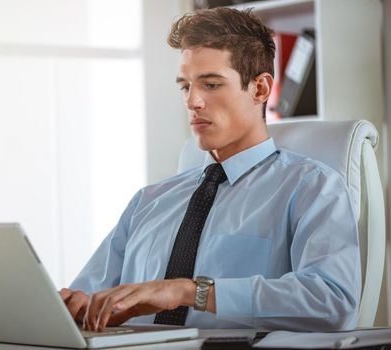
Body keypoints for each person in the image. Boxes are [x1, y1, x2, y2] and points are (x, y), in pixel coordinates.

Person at [59, 7, 360, 332]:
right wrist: (71, 308)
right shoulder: (147, 202)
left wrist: (189, 291)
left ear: (260, 89)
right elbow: (87, 299)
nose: (193, 102)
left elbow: (332, 302)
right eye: (185, 86)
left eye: (212, 85)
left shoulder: (313, 187)